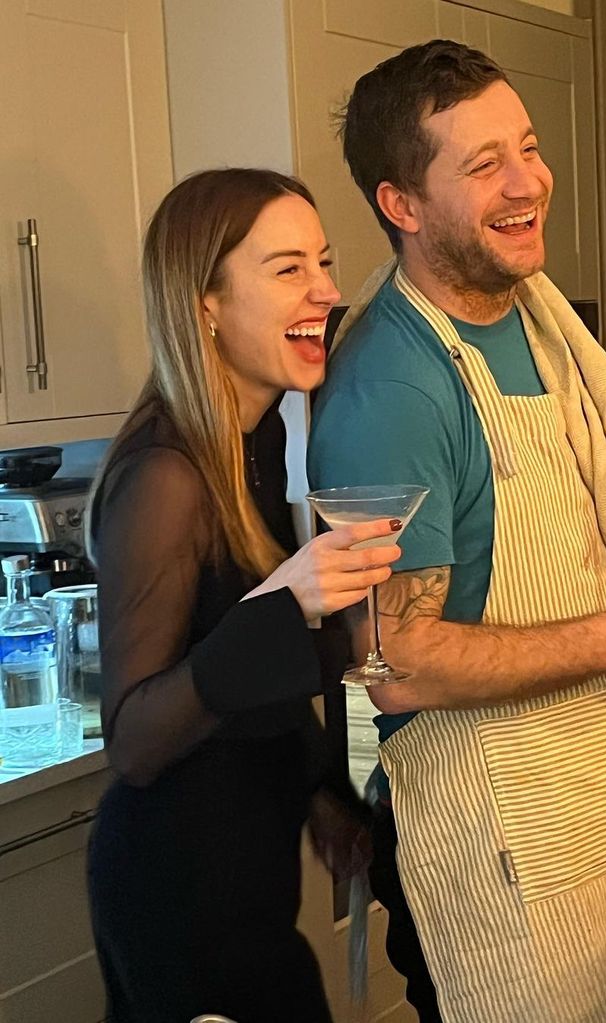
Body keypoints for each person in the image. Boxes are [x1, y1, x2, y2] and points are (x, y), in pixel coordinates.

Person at [308, 41, 606, 1023]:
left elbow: (501, 489)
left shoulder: (527, 304)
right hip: (500, 837)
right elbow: (393, 661)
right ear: (402, 206)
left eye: (529, 147)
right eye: (482, 164)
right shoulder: (391, 389)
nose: (527, 183)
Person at [87, 168, 403, 1023]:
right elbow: (136, 739)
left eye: (325, 263)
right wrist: (283, 607)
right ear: (206, 304)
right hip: (175, 897)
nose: (327, 291)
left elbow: (242, 684)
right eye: (288, 267)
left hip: (249, 885)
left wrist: (318, 792)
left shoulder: (257, 447)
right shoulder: (167, 476)